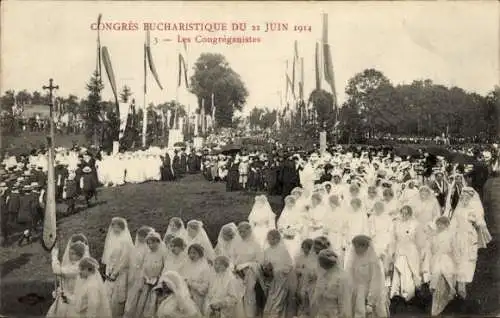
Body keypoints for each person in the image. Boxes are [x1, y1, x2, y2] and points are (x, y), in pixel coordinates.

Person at [345, 235, 389, 318]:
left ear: (365, 247)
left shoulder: (373, 261)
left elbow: (375, 282)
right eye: (355, 247)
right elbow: (349, 276)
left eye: (358, 247)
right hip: (356, 292)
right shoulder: (353, 259)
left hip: (369, 292)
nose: (356, 249)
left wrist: (370, 301)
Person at [129, 231, 168, 318]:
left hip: (158, 282)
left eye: (152, 243)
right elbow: (143, 267)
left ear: (158, 242)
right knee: (141, 303)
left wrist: (158, 279)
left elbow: (165, 268)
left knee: (153, 303)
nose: (150, 245)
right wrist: (145, 277)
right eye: (149, 243)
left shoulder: (163, 254)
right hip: (146, 281)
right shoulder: (147, 253)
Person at [101, 217, 134, 318]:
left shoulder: (125, 241)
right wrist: (109, 270)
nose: (115, 229)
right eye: (113, 226)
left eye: (117, 226)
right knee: (107, 294)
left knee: (118, 297)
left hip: (120, 271)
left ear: (122, 227)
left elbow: (125, 259)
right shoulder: (111, 239)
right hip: (110, 269)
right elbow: (108, 256)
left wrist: (116, 272)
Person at [46, 241, 89, 318]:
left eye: (73, 254)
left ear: (79, 255)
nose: (70, 256)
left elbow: (57, 270)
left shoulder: (78, 268)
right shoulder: (77, 264)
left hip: (72, 299)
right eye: (70, 253)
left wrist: (54, 256)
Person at [260, 229, 293, 318]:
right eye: (269, 239)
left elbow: (289, 265)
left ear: (277, 239)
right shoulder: (267, 251)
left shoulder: (283, 250)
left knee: (278, 302)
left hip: (281, 280)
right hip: (271, 280)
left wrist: (279, 270)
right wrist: (266, 269)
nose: (270, 241)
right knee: (270, 300)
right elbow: (263, 263)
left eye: (272, 239)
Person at [309, 249, 352, 318]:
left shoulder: (341, 278)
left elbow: (344, 304)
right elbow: (316, 298)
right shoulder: (323, 276)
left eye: (321, 262)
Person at [124, 226, 154, 317]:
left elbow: (146, 263)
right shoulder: (135, 247)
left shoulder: (148, 249)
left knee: (139, 298)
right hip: (133, 274)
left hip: (142, 275)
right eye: (139, 236)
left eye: (143, 236)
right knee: (131, 296)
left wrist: (142, 275)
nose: (140, 238)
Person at [181, 243, 213, 313]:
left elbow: (205, 287)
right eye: (190, 253)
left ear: (200, 254)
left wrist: (191, 284)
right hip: (186, 295)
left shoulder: (205, 268)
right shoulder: (186, 265)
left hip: (198, 297)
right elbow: (182, 278)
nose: (191, 255)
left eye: (194, 253)